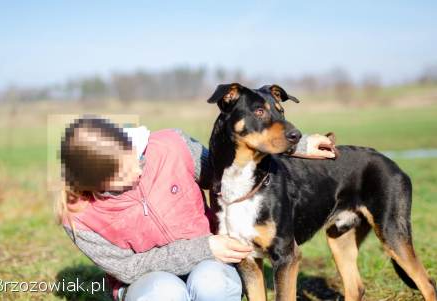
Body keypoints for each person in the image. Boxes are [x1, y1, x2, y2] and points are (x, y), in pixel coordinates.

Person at [58, 116, 336, 301]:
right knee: (163, 293)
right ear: (90, 184)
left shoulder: (170, 146)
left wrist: (295, 145)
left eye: (132, 157)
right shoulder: (78, 215)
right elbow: (129, 268)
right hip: (148, 279)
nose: (136, 170)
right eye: (119, 176)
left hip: (211, 263)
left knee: (212, 283)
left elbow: (228, 167)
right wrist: (204, 248)